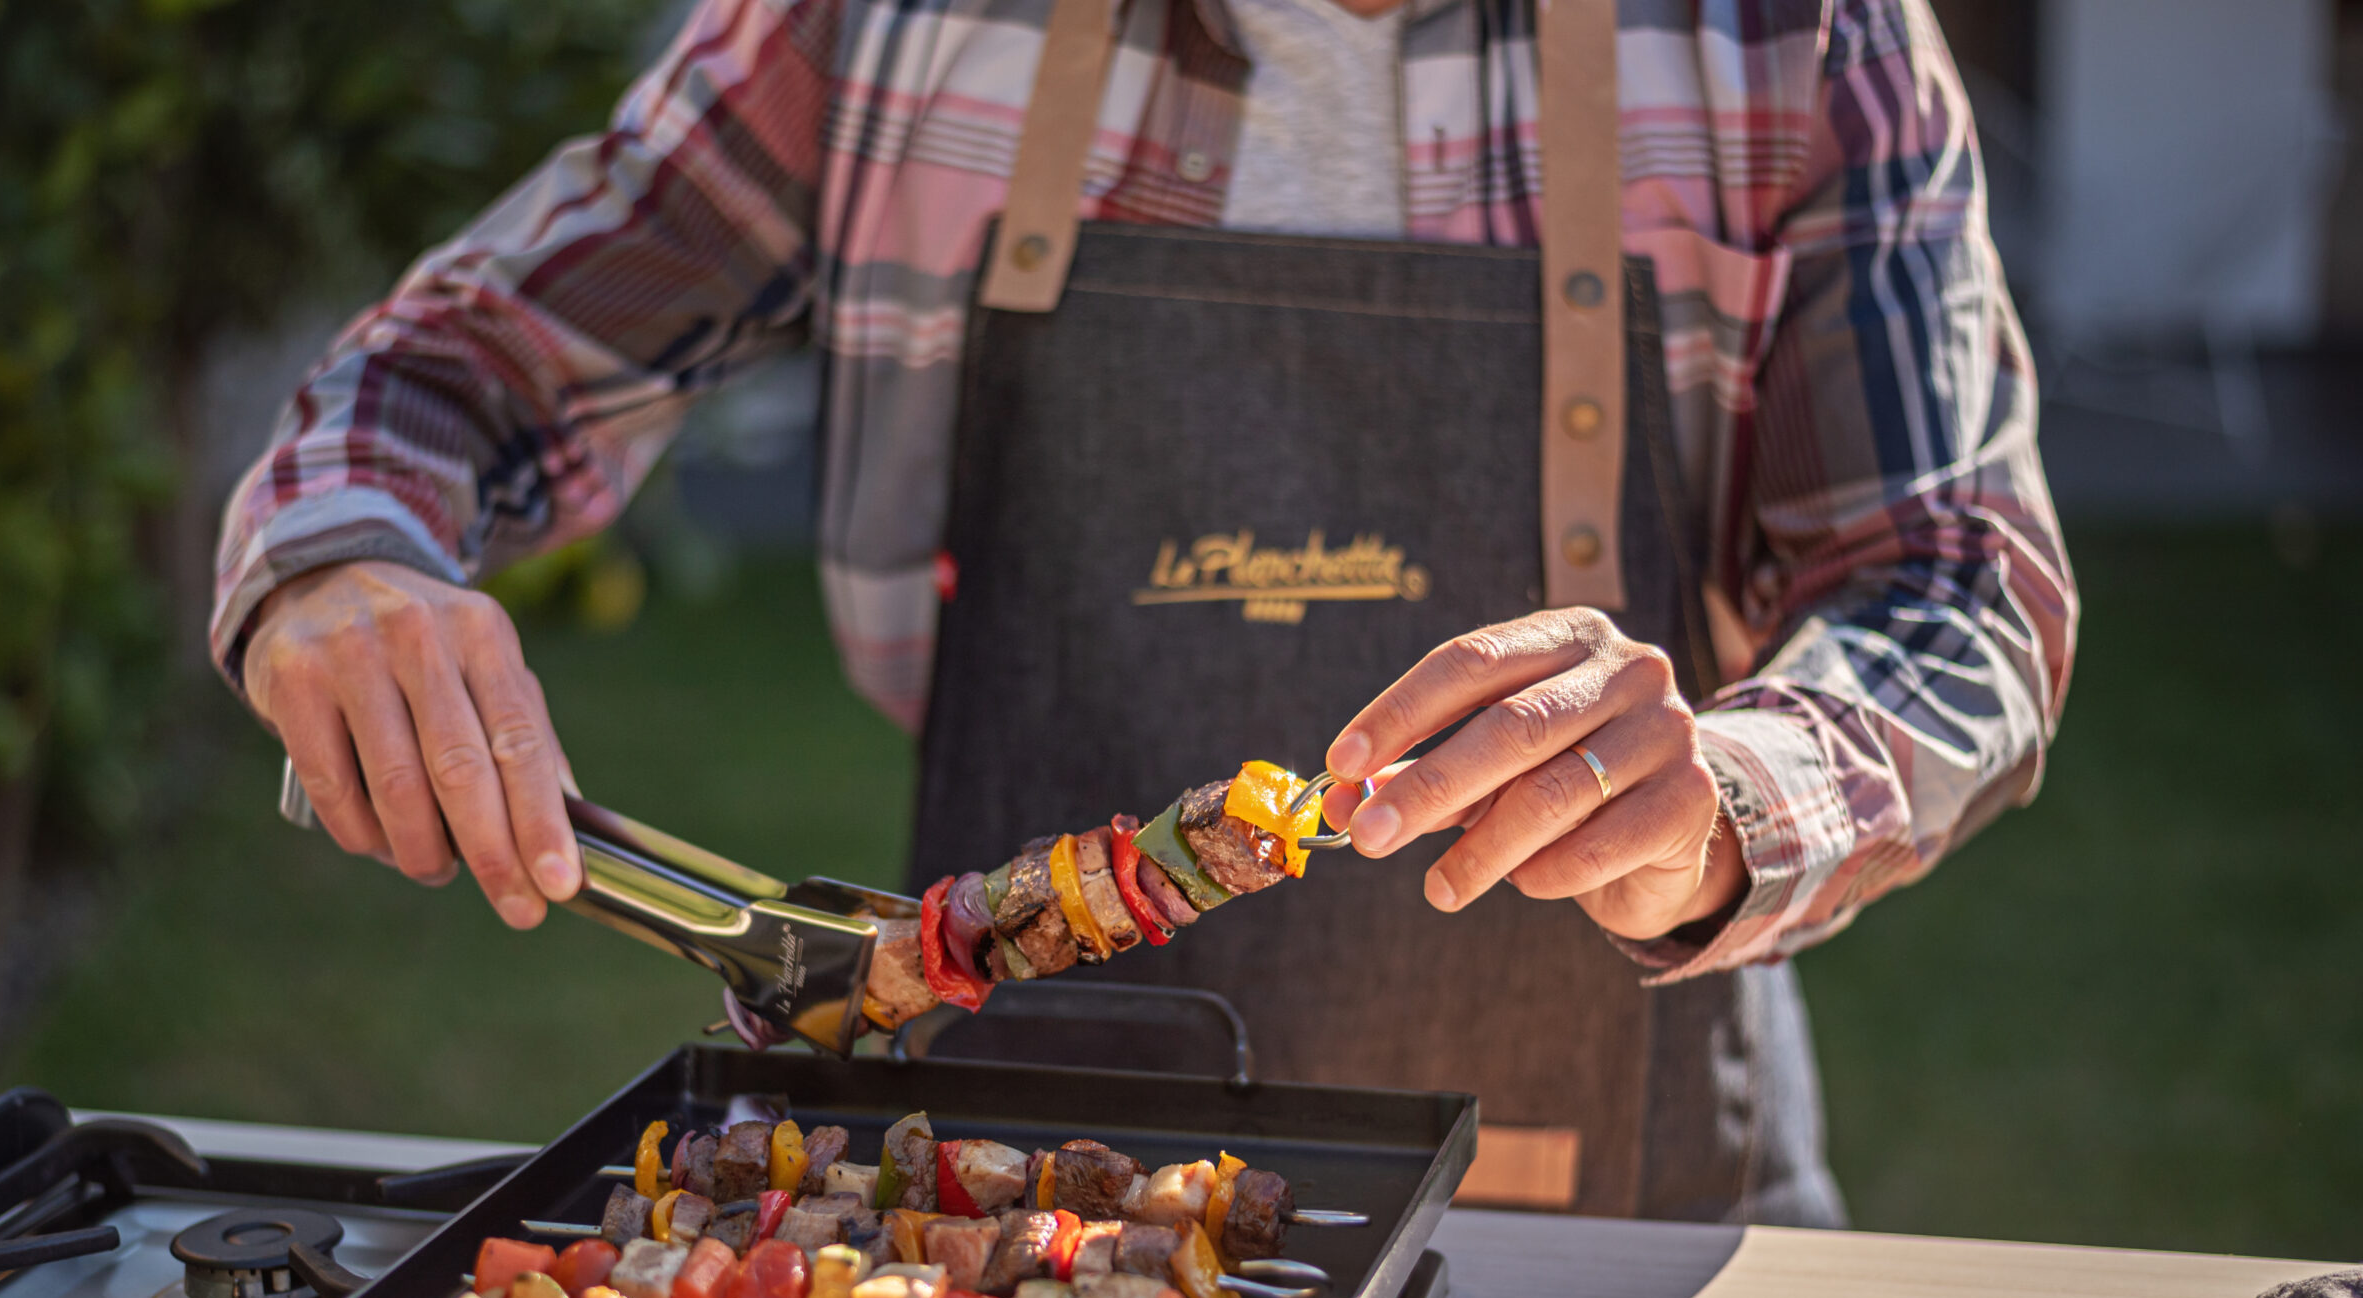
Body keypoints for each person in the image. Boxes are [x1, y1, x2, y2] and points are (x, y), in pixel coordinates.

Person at [213, 0, 2074, 1228]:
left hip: (1613, 1196)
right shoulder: (883, 27)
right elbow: (463, 363)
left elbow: (1955, 577)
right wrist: (339, 557)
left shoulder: (1788, 37)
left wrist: (1735, 794)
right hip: (1009, 1194)